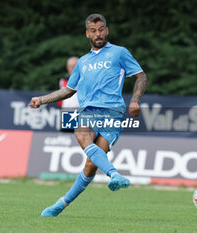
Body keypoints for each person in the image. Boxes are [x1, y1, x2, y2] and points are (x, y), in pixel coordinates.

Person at [29, 13, 148, 217]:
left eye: (101, 29)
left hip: (113, 111)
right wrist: (42, 99)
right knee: (82, 134)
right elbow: (68, 90)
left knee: (92, 164)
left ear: (107, 30)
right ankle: (114, 175)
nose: (98, 33)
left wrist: (135, 100)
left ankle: (61, 203)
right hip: (88, 111)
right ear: (87, 34)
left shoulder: (119, 53)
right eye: (93, 30)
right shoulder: (82, 62)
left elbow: (141, 76)